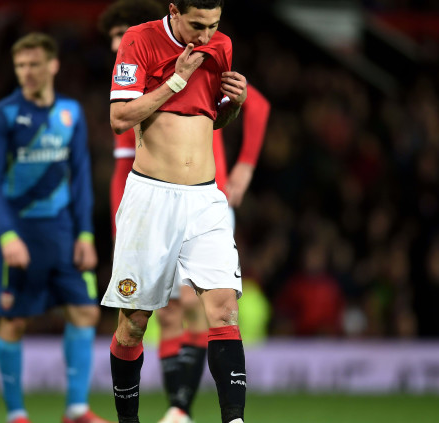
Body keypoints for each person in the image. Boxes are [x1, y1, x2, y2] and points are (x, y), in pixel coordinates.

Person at [99, 2, 269, 421]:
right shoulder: (139, 40)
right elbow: (119, 118)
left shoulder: (221, 45)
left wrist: (234, 105)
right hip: (151, 198)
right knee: (134, 324)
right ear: (174, 11)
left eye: (214, 25)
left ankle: (234, 419)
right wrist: (176, 79)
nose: (206, 35)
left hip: (206, 199)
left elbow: (212, 119)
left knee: (223, 309)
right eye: (197, 24)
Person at [0, 33, 111, 423]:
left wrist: (85, 233)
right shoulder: (1, 116)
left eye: (34, 64)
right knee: (13, 320)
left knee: (85, 312)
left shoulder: (70, 113)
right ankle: (16, 414)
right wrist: (6, 235)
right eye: (20, 65)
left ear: (53, 65)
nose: (27, 72)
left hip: (64, 234)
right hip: (20, 233)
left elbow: (81, 176)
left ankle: (76, 409)